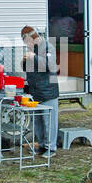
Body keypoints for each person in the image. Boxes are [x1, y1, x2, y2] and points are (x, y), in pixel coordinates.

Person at [20, 25, 59, 155]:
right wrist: (24, 61)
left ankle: (51, 148)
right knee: (38, 122)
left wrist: (33, 58)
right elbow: (27, 69)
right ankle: (41, 145)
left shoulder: (48, 47)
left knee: (49, 122)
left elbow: (51, 66)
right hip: (35, 91)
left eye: (27, 41)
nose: (26, 44)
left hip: (48, 91)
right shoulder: (31, 49)